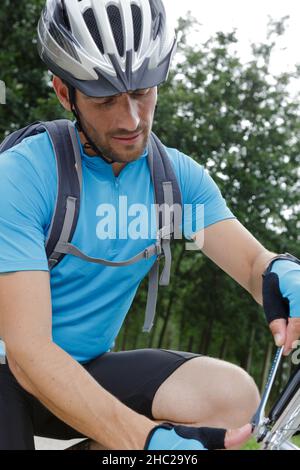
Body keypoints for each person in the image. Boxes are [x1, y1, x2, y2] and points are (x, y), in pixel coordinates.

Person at [0, 0, 299, 451]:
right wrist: (147, 439)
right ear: (65, 93)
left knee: (230, 396)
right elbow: (27, 355)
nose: (131, 120)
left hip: (84, 372)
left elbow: (256, 264)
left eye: (142, 93)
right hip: (11, 372)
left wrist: (283, 272)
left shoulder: (176, 181)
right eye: (104, 100)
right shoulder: (23, 173)